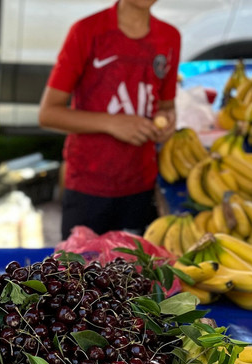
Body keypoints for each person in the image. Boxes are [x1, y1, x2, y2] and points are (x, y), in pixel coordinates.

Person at [39, 0, 181, 239]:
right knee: (79, 272)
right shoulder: (86, 32)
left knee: (132, 273)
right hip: (88, 185)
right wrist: (111, 123)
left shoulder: (169, 37)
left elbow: (166, 106)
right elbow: (48, 113)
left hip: (140, 184)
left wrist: (167, 121)